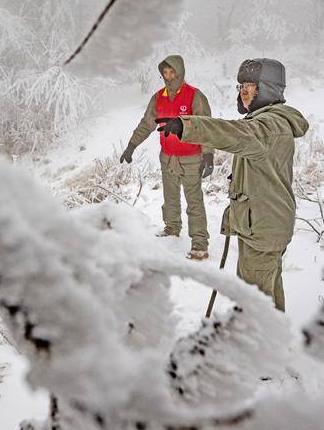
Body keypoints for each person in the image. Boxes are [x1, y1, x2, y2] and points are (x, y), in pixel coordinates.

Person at [156, 58, 307, 310]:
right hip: (262, 223)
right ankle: (277, 344)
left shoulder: (269, 126)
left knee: (253, 305)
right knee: (267, 297)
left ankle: (256, 347)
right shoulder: (270, 121)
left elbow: (235, 133)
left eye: (249, 86)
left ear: (267, 88)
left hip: (262, 227)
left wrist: (188, 125)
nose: (242, 92)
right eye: (240, 87)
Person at [120, 54, 214, 260]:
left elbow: (206, 126)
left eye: (172, 72)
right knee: (170, 197)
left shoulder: (194, 96)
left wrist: (208, 155)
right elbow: (147, 123)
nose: (169, 76)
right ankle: (172, 227)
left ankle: (199, 243)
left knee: (194, 202)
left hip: (191, 158)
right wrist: (132, 145)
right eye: (165, 73)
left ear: (180, 72)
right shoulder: (158, 97)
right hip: (167, 157)